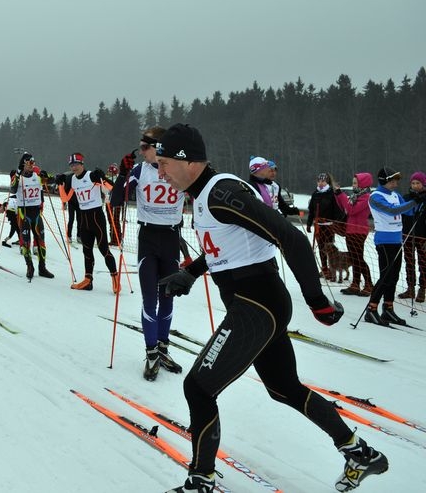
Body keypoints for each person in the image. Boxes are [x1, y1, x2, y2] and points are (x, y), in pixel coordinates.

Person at [154, 123, 388, 493]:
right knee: (283, 388)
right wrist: (192, 272)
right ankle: (359, 451)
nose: (161, 172)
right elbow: (227, 245)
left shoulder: (222, 192)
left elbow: (290, 237)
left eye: (164, 163)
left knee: (198, 388)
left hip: (256, 304)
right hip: (257, 304)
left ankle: (201, 481)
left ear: (187, 161)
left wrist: (317, 301)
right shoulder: (203, 196)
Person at [112, 129, 185, 380]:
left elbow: (199, 196)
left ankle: (163, 349)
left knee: (168, 298)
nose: (141, 152)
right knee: (148, 300)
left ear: (159, 147)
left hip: (171, 238)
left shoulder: (178, 169)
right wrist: (123, 173)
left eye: (145, 147)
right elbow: (116, 199)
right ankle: (151, 352)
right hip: (148, 239)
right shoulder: (140, 171)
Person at [362, 168, 421, 326]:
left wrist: (419, 201)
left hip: (397, 239)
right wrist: (414, 201)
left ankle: (388, 308)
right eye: (393, 180)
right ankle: (371, 309)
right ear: (384, 181)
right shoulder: (375, 197)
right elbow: (391, 210)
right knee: (385, 276)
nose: (396, 183)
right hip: (384, 240)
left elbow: (408, 212)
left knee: (394, 276)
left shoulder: (396, 195)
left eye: (397, 181)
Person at [55, 153, 118, 293]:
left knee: (103, 249)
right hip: (83, 218)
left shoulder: (91, 176)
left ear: (82, 164)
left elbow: (111, 187)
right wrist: (61, 184)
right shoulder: (72, 180)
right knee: (86, 250)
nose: (74, 167)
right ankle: (88, 280)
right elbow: (65, 198)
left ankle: (115, 277)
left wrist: (103, 177)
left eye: (76, 164)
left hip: (96, 217)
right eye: (71, 165)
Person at [10, 152, 54, 280]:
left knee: (41, 240)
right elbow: (12, 189)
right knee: (25, 242)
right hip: (24, 214)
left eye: (33, 163)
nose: (31, 165)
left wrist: (47, 176)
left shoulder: (37, 175)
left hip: (36, 213)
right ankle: (29, 266)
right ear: (23, 164)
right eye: (29, 163)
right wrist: (17, 174)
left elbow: (51, 180)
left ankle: (42, 267)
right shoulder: (17, 177)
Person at [335, 172, 374, 296]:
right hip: (351, 230)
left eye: (355, 183)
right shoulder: (355, 196)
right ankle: (355, 284)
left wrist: (341, 195)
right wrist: (337, 194)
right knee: (354, 258)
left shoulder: (366, 197)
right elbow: (344, 207)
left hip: (359, 231)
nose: (353, 185)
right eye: (353, 183)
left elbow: (351, 210)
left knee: (358, 258)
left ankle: (369, 284)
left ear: (363, 184)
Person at [306, 172, 345, 280]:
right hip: (318, 226)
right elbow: (311, 210)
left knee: (330, 248)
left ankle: (332, 267)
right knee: (321, 248)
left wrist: (335, 222)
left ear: (327, 182)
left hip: (329, 226)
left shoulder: (331, 194)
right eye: (319, 181)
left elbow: (338, 211)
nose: (321, 183)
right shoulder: (315, 194)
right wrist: (309, 223)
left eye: (323, 181)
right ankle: (324, 268)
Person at [399, 171, 426, 302]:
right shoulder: (406, 197)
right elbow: (401, 214)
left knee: (423, 263)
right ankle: (410, 287)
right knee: (409, 262)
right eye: (413, 183)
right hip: (407, 234)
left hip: (422, 236)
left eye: (418, 183)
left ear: (423, 184)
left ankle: (422, 289)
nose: (415, 186)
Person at [1, 180, 19, 248]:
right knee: (16, 226)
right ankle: (20, 239)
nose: (2, 213)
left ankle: (7, 239)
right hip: (14, 210)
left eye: (1, 211)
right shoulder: (6, 202)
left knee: (15, 226)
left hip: (13, 209)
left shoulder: (6, 202)